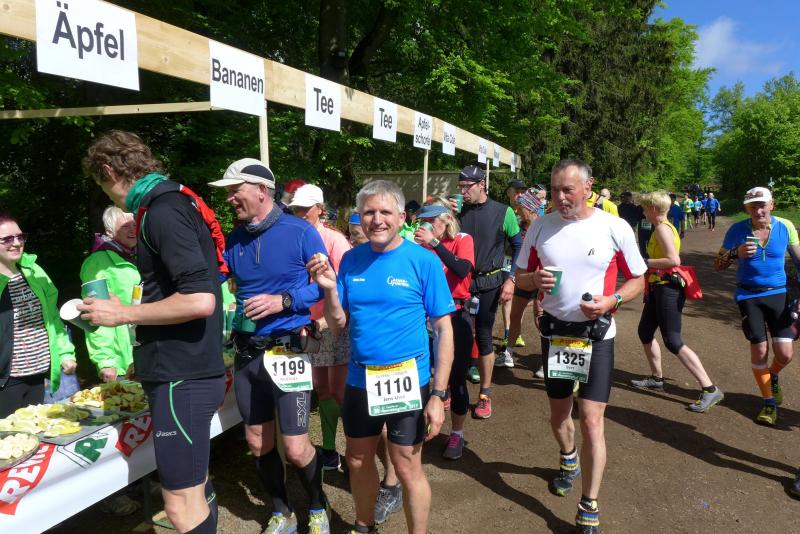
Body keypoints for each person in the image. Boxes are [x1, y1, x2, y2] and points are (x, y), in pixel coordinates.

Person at [80, 130, 225, 534]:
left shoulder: (162, 209)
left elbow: (200, 300)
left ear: (108, 169)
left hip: (182, 376)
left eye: (100, 184)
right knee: (195, 488)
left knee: (179, 505)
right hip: (186, 371)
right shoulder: (172, 201)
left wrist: (123, 313)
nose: (107, 195)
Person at [308, 180, 454, 534]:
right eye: (369, 212)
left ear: (401, 217)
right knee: (357, 459)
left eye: (385, 212)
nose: (377, 220)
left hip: (408, 378)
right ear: (360, 217)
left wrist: (438, 394)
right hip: (361, 378)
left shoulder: (423, 261)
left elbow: (443, 330)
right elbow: (338, 324)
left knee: (406, 465)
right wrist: (329, 291)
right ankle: (363, 525)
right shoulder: (351, 260)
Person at [514, 159, 646, 534]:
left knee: (590, 419)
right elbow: (520, 277)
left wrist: (612, 300)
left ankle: (589, 502)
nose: (559, 197)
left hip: (597, 334)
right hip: (556, 334)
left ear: (588, 187)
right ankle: (568, 456)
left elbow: (638, 279)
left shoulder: (614, 227)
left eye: (567, 190)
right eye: (555, 189)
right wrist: (533, 279)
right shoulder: (540, 226)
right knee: (560, 415)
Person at [209, 159, 330, 534]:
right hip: (248, 352)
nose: (230, 199)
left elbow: (326, 283)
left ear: (261, 190)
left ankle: (318, 506)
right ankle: (282, 511)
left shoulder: (300, 231)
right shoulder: (235, 238)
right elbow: (217, 278)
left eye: (235, 190)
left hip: (288, 349)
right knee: (257, 441)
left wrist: (285, 301)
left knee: (295, 446)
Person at [629, 192, 724, 411]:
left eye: (645, 207)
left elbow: (673, 260)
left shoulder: (662, 228)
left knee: (673, 340)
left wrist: (644, 261)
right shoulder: (664, 226)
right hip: (658, 286)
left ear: (653, 209)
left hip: (668, 289)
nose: (642, 211)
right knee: (645, 332)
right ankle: (657, 378)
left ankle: (710, 389)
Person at [715, 187, 800, 426]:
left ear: (772, 204)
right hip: (748, 296)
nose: (758, 210)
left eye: (762, 205)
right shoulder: (737, 230)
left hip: (779, 294)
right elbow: (718, 264)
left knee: (785, 354)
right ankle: (769, 403)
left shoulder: (786, 226)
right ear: (747, 208)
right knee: (760, 350)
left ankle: (772, 375)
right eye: (753, 206)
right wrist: (735, 253)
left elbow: (799, 261)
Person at [289, 184, 352, 472]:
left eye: (306, 208)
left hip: (333, 324)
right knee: (321, 388)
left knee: (340, 391)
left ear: (320, 209)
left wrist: (325, 321)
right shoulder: (292, 238)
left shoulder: (335, 240)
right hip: (306, 325)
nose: (300, 213)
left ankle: (354, 448)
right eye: (296, 208)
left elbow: (347, 288)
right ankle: (329, 449)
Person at [456, 164, 521, 418]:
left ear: (482, 184)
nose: (463, 192)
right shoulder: (458, 211)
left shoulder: (504, 212)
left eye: (467, 187)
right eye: (460, 187)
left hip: (489, 283)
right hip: (461, 283)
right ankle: (451, 390)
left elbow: (518, 245)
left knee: (483, 336)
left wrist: (511, 279)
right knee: (456, 336)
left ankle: (485, 394)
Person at [0, 213, 77, 418]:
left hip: (38, 374)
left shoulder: (33, 271)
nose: (17, 243)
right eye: (7, 239)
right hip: (6, 381)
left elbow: (52, 318)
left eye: (20, 236)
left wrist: (65, 353)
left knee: (35, 432)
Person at [414, 200, 474, 460]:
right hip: (425, 316)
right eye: (423, 222)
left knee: (457, 377)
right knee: (425, 374)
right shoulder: (421, 246)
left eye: (430, 221)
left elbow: (462, 269)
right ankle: (423, 425)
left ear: (446, 219)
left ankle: (457, 433)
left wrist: (435, 244)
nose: (425, 226)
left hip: (456, 314)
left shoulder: (462, 239)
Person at [80, 206, 139, 382]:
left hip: (148, 353)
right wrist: (105, 360)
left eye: (134, 224)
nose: (132, 229)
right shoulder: (98, 263)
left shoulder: (139, 255)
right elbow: (95, 314)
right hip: (122, 360)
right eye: (126, 226)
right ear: (110, 232)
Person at [501, 189, 545, 376]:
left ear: (531, 209)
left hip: (542, 278)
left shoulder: (544, 226)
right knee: (515, 315)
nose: (518, 211)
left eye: (521, 208)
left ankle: (546, 361)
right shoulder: (520, 227)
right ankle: (508, 353)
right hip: (524, 277)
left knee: (541, 318)